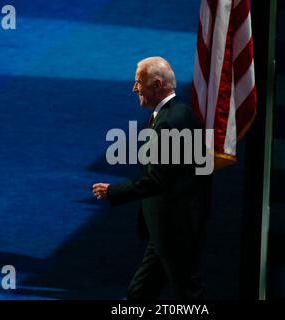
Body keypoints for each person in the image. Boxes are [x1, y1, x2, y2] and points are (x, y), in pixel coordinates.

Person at [92, 56, 212, 300]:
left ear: (157, 85)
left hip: (175, 228)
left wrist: (113, 191)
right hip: (168, 228)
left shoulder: (170, 122)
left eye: (139, 83)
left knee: (188, 296)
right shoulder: (177, 114)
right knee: (140, 294)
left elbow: (157, 179)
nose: (135, 89)